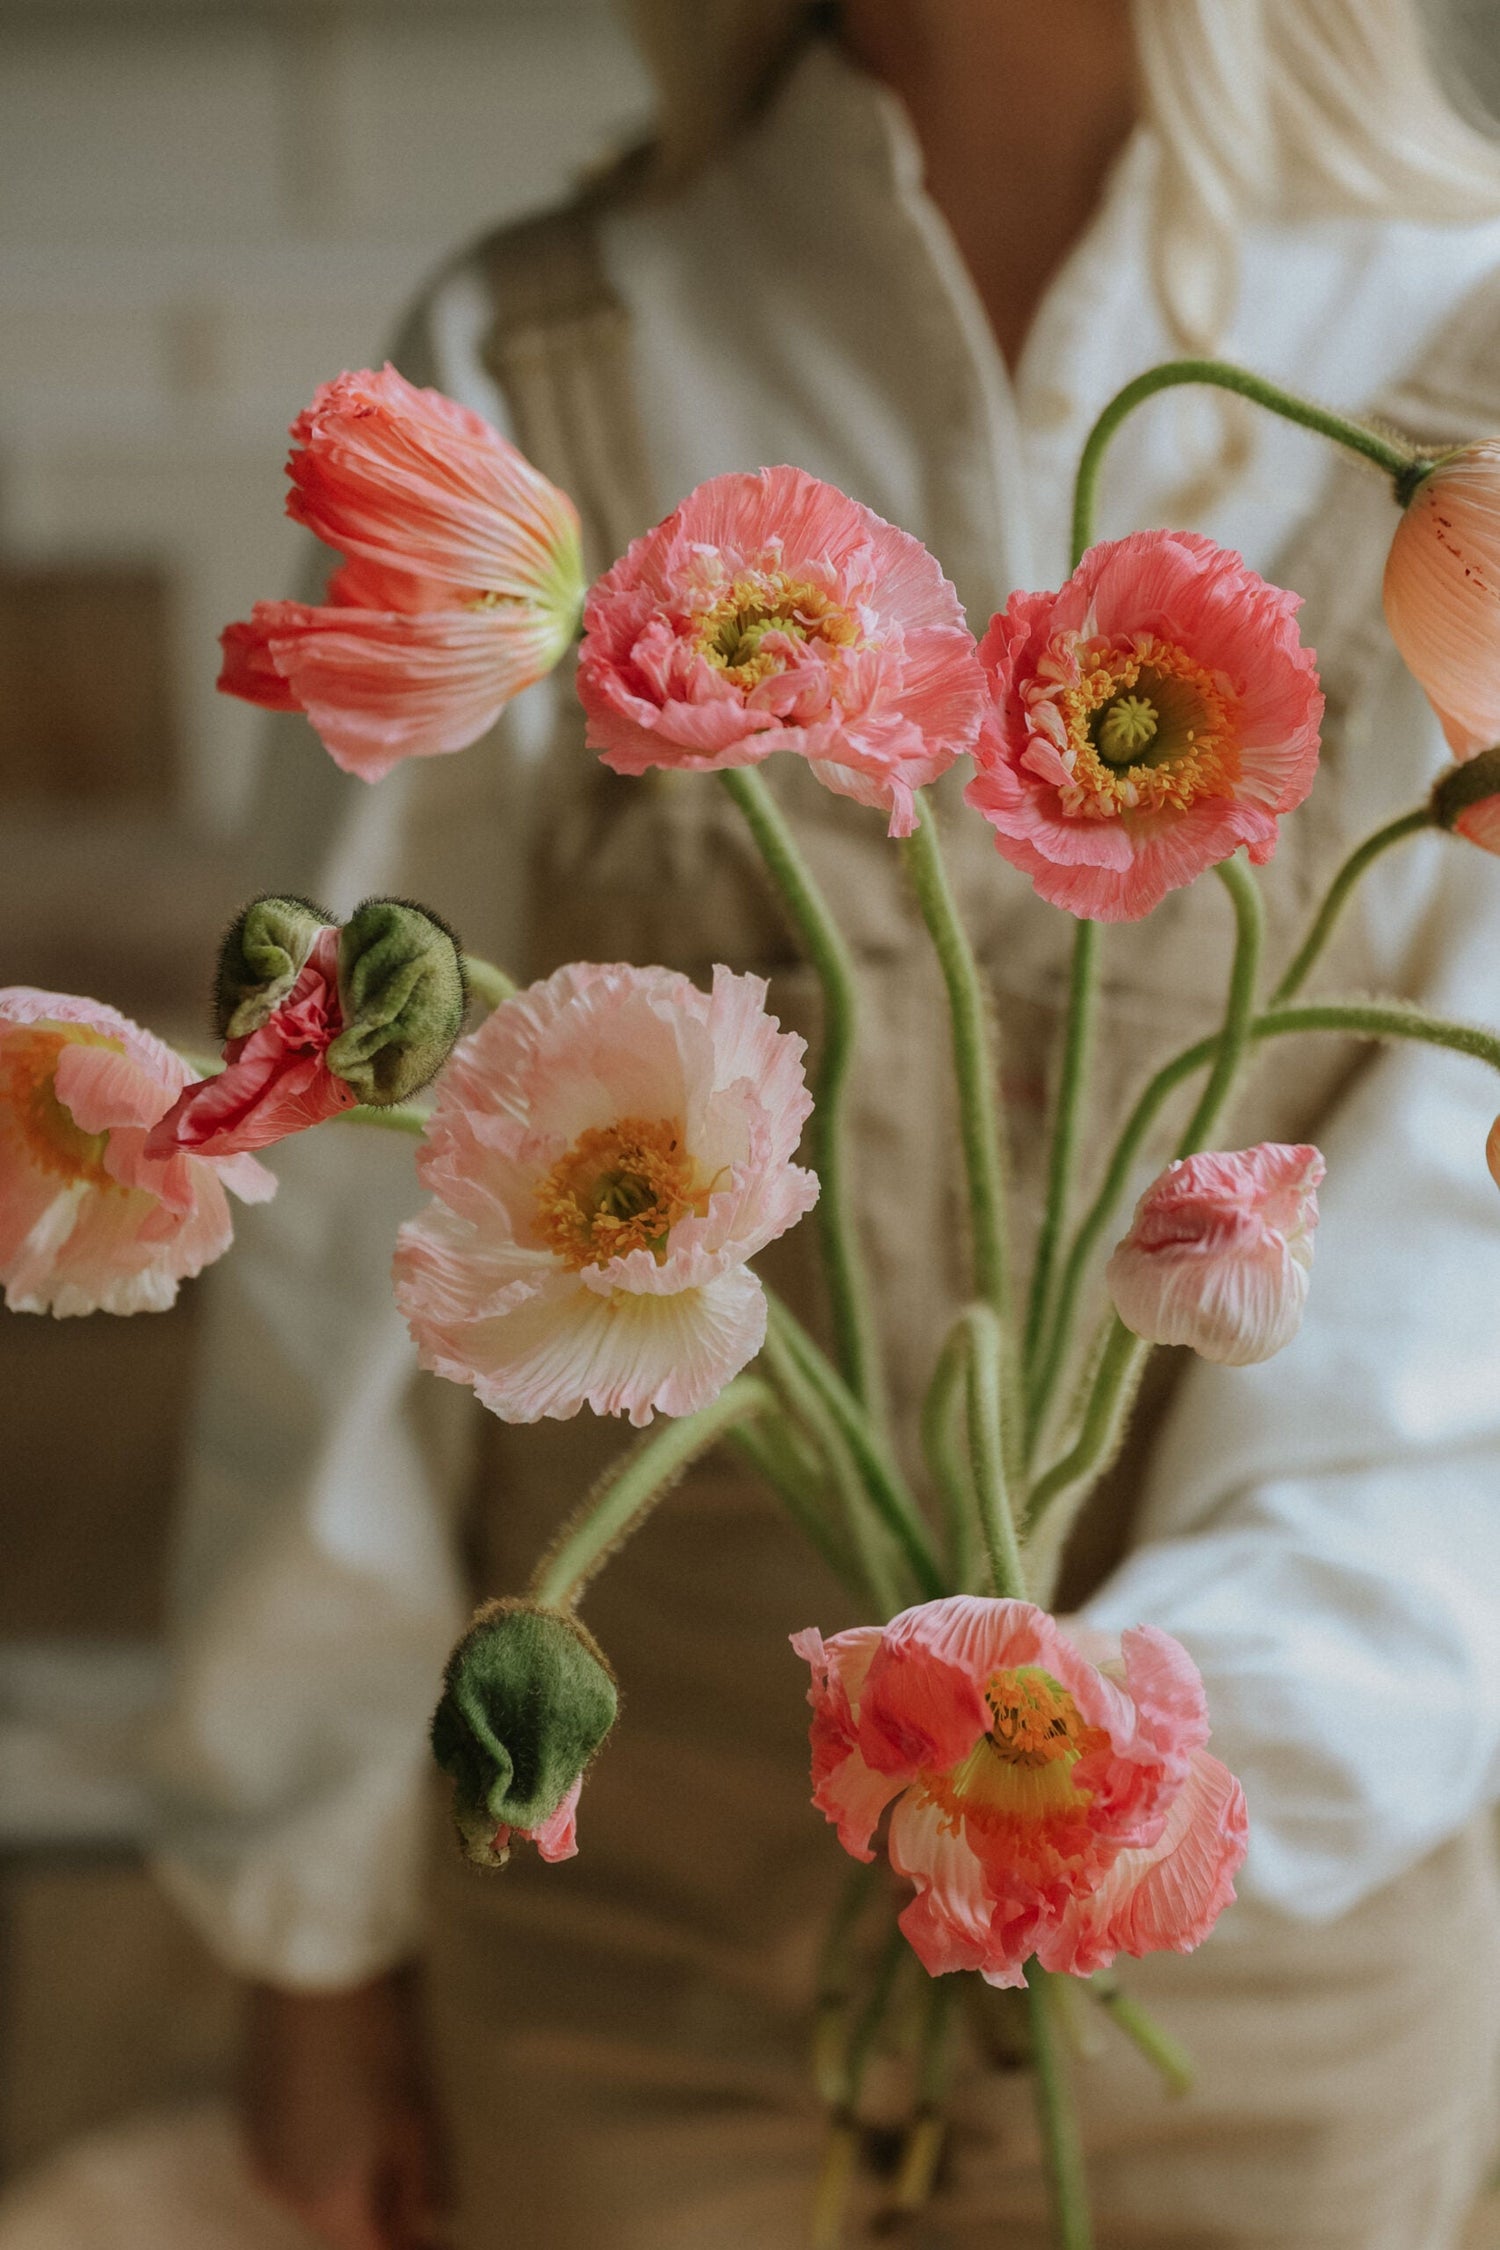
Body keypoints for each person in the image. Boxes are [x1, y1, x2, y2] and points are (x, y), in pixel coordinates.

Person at [146, 3, 1500, 2245]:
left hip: (1256, 1961)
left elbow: (1467, 1262)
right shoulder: (540, 350)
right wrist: (304, 1924)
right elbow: (340, 1223)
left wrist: (1125, 1765)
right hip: (620, 1922)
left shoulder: (1463, 365)